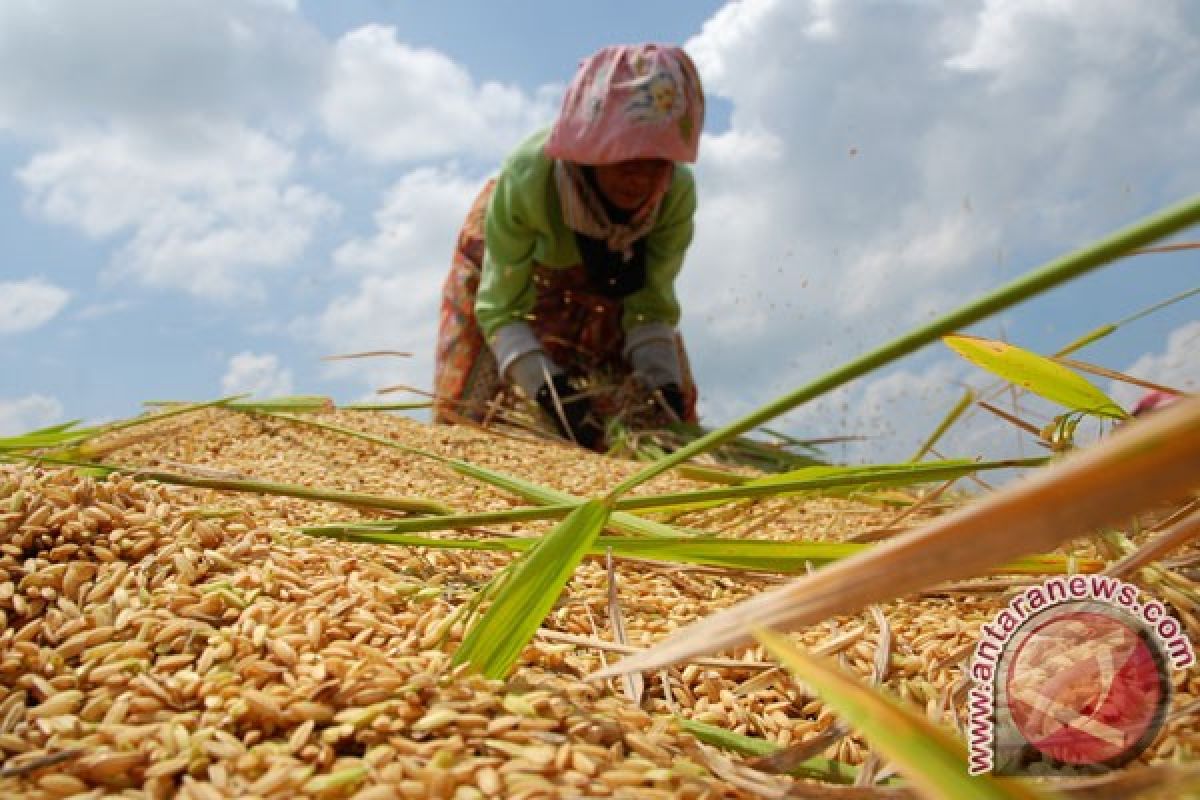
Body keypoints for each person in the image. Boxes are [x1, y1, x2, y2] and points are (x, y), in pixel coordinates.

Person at [432, 43, 705, 451]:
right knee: (471, 423)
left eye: (657, 164)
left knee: (663, 423)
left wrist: (661, 383)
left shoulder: (674, 196)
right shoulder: (529, 179)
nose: (641, 180)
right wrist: (548, 391)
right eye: (626, 161)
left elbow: (650, 302)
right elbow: (501, 307)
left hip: (610, 281)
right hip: (512, 275)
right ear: (590, 152)